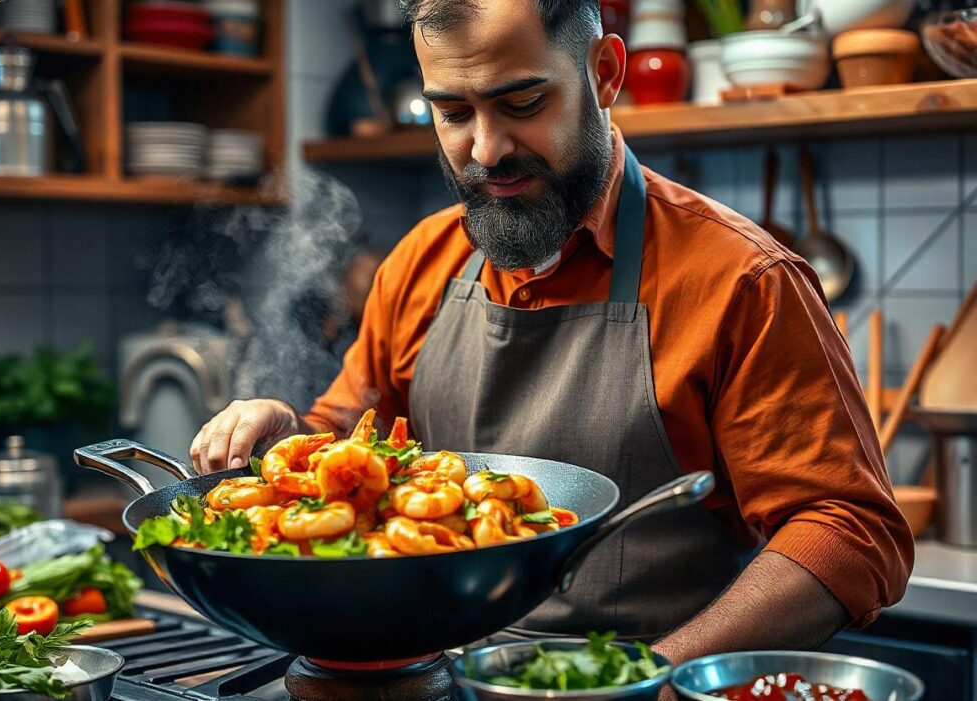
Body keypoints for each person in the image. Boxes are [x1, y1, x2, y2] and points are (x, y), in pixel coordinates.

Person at [190, 0, 912, 667]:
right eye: (453, 111)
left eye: (522, 103)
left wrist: (649, 673)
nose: (487, 149)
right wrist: (289, 435)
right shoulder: (417, 265)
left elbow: (849, 531)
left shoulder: (740, 280)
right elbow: (349, 446)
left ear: (604, 74)